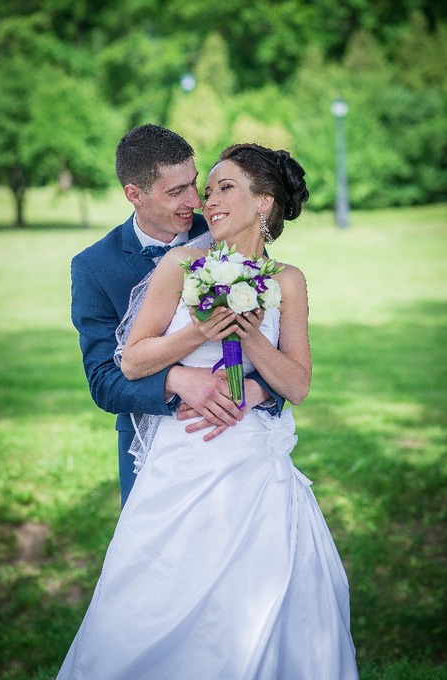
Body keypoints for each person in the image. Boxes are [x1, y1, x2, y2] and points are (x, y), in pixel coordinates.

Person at [58, 143, 359, 679]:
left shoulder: (287, 279)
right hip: (182, 454)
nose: (204, 201)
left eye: (219, 187)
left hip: (255, 462)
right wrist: (197, 340)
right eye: (198, 190)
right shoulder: (176, 263)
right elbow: (124, 365)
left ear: (263, 203)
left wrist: (251, 349)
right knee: (159, 593)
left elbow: (297, 382)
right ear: (136, 194)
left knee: (260, 593)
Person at [71, 124, 284, 507]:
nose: (196, 201)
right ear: (134, 195)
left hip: (241, 436)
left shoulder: (227, 226)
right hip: (153, 445)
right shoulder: (94, 267)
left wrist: (257, 390)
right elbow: (103, 380)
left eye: (194, 184)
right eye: (175, 192)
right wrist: (175, 380)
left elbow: (273, 338)